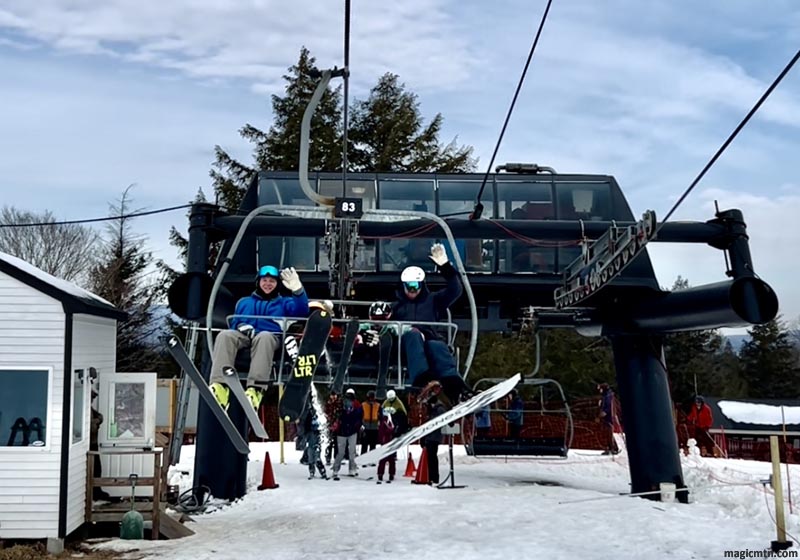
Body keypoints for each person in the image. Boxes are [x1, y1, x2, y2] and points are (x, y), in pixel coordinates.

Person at [209, 265, 309, 411]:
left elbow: (302, 311)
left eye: (272, 281)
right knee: (225, 335)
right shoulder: (244, 302)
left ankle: (255, 389)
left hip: (270, 337)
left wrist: (298, 290)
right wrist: (241, 326)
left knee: (264, 337)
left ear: (277, 284)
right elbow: (235, 322)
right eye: (264, 280)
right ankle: (220, 386)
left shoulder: (284, 303)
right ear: (258, 282)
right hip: (245, 336)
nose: (268, 284)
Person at [391, 242, 470, 404]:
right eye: (409, 286)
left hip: (428, 340)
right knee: (413, 334)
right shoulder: (397, 306)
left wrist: (445, 267)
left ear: (422, 284)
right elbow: (383, 324)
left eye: (416, 285)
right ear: (403, 286)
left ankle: (457, 390)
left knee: (437, 346)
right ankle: (422, 382)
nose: (412, 290)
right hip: (406, 347)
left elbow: (455, 290)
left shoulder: (432, 300)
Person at [377, 389, 408, 484]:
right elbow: (380, 420)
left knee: (391, 457)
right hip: (385, 436)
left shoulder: (399, 405)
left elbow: (404, 417)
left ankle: (391, 473)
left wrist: (399, 431)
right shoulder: (384, 405)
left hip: (393, 434)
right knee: (383, 456)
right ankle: (380, 474)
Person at [420, 384, 448, 485]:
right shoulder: (432, 410)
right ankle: (430, 476)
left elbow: (436, 424)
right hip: (430, 436)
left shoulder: (439, 409)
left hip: (435, 437)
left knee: (432, 457)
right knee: (430, 456)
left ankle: (434, 477)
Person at [332, 388, 362, 480]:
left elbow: (359, 416)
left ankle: (337, 470)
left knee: (343, 452)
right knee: (350, 452)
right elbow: (359, 417)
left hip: (346, 431)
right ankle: (349, 469)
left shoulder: (343, 403)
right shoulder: (343, 404)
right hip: (346, 431)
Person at [90, 388, 111, 501]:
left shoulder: (90, 409)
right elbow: (92, 428)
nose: (92, 400)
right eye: (92, 398)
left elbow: (100, 416)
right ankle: (94, 491)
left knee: (97, 468)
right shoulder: (84, 409)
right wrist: (96, 421)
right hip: (89, 444)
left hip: (94, 443)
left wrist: (97, 420)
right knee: (94, 468)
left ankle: (97, 490)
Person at [303, 405, 328, 480]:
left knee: (316, 458)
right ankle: (314, 472)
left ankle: (321, 472)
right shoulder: (308, 417)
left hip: (315, 440)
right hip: (312, 439)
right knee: (312, 457)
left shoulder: (317, 417)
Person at [597, 383, 619, 455]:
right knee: (608, 432)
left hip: (609, 416)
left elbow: (609, 405)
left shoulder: (608, 396)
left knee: (609, 432)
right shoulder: (605, 396)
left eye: (600, 389)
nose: (599, 390)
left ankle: (613, 448)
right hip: (607, 417)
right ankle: (611, 448)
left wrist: (604, 412)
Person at [361, 390, 380, 455]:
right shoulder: (363, 405)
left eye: (372, 398)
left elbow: (381, 415)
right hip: (365, 427)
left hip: (374, 427)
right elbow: (360, 415)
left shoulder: (378, 405)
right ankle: (363, 458)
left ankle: (371, 458)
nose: (371, 399)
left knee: (373, 444)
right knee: (364, 444)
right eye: (370, 398)